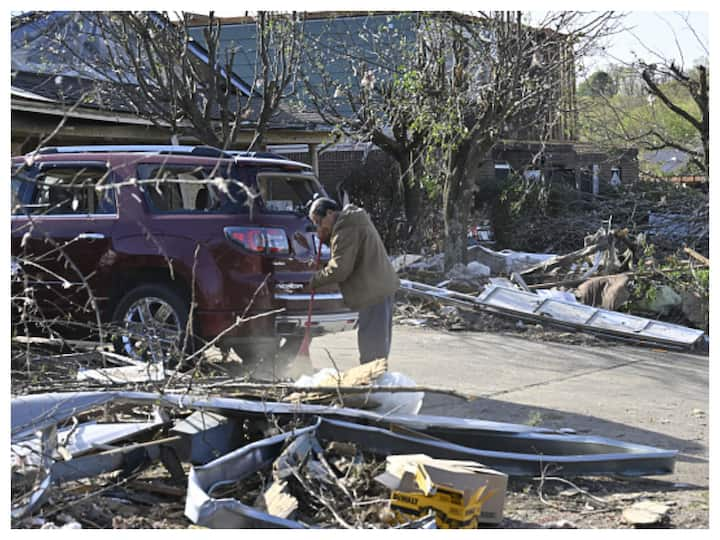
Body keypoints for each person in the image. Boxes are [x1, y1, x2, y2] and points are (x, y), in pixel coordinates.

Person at [308, 197, 399, 364]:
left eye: (319, 222)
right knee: (377, 344)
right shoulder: (350, 222)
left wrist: (314, 281)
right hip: (378, 288)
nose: (319, 227)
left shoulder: (346, 227)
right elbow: (347, 256)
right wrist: (325, 241)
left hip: (373, 292)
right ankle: (375, 380)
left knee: (372, 346)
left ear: (330, 213)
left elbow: (340, 269)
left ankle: (372, 382)